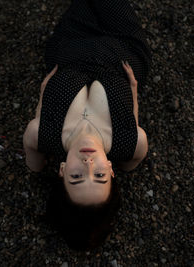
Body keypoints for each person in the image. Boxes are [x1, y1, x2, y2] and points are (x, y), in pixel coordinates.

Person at [23, 0, 151, 249]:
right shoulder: (132, 143)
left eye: (77, 176)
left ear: (61, 171)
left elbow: (34, 166)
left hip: (71, 45)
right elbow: (131, 156)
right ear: (111, 170)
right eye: (100, 176)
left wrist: (42, 96)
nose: (88, 164)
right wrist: (134, 91)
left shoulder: (41, 134)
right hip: (123, 47)